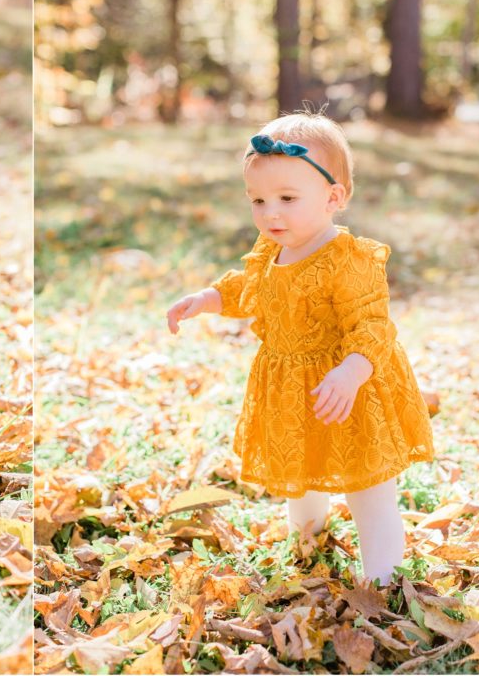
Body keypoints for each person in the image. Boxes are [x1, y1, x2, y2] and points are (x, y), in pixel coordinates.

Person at [166, 111, 434, 587]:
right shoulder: (272, 249)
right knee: (302, 471)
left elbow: (371, 325)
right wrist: (206, 299)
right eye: (258, 200)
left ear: (334, 197)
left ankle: (385, 579)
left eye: (288, 198)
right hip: (295, 389)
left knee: (367, 487)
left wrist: (352, 371)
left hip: (350, 388)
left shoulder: (346, 260)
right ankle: (308, 546)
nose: (271, 213)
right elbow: (248, 287)